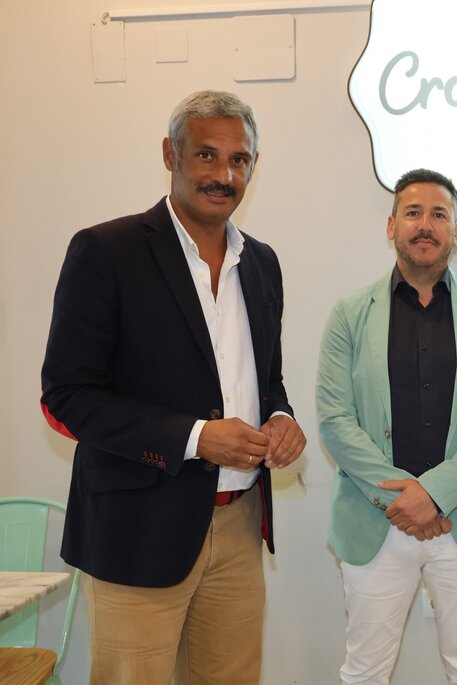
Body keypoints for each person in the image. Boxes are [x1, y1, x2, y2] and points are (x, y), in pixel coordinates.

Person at [40, 90, 306, 684]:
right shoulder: (105, 251)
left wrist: (282, 418)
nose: (224, 175)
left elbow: (267, 380)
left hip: (239, 525)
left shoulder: (262, 263)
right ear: (170, 154)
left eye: (239, 160)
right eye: (207, 155)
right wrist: (194, 437)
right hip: (137, 529)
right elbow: (67, 395)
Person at [317, 168, 457, 685]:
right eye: (412, 213)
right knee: (365, 671)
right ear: (391, 226)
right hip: (375, 521)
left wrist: (435, 495)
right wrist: (405, 498)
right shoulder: (349, 315)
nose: (425, 225)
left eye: (438, 214)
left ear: (456, 231)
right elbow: (335, 421)